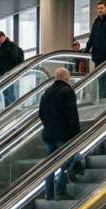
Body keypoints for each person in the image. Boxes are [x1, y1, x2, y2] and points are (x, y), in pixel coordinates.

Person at [38, 67, 82, 201]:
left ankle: (49, 192)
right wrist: (76, 135)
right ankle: (60, 190)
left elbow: (41, 114)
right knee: (65, 162)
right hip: (63, 135)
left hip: (49, 135)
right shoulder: (68, 92)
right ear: (66, 78)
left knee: (50, 164)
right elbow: (72, 115)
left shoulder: (47, 92)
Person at [0, 31, 25, 106]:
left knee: (10, 91)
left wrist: (13, 70)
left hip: (9, 73)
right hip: (3, 74)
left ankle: (12, 108)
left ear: (2, 36)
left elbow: (14, 58)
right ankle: (7, 108)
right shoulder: (1, 48)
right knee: (5, 93)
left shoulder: (11, 45)